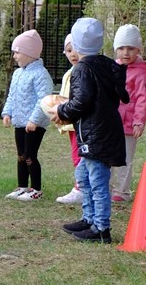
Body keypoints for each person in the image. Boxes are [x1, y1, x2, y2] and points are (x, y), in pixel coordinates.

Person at [55, 18, 129, 244]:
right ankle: (88, 219)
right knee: (83, 176)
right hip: (101, 131)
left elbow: (81, 101)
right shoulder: (106, 64)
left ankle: (101, 228)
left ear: (77, 43)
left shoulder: (82, 69)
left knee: (97, 181)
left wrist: (61, 110)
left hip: (95, 133)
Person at [1, 30, 54, 201]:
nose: (14, 56)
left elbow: (43, 100)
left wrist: (34, 120)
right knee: (21, 156)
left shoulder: (41, 75)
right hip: (19, 122)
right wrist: (7, 113)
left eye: (17, 52)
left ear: (29, 53)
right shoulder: (18, 73)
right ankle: (22, 186)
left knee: (30, 155)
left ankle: (36, 189)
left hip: (34, 125)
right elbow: (12, 95)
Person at [110, 24, 146, 202]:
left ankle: (122, 191)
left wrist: (138, 121)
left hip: (128, 123)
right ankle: (107, 186)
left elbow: (143, 98)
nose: (126, 53)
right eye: (121, 48)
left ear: (138, 49)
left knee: (125, 157)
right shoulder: (113, 67)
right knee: (109, 154)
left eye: (130, 48)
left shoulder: (140, 72)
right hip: (112, 121)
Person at [55, 35, 84, 205]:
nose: (73, 54)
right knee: (76, 155)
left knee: (81, 155)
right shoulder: (68, 73)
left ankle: (81, 188)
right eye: (68, 50)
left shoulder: (83, 72)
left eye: (76, 49)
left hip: (80, 123)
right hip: (70, 123)